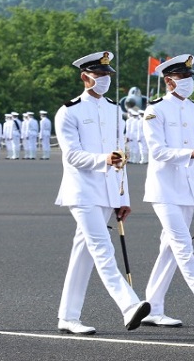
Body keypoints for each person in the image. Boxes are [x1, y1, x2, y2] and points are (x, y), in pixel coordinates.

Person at [54, 51, 151, 335]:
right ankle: (129, 304)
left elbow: (121, 154)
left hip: (108, 192)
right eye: (99, 75)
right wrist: (103, 160)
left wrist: (124, 198)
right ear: (85, 77)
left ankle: (68, 317)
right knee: (102, 249)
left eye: (107, 75)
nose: (104, 79)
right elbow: (72, 156)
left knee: (83, 253)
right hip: (82, 191)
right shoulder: (69, 111)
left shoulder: (112, 110)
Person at [141, 54, 194, 327]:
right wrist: (189, 153)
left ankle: (153, 307)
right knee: (183, 246)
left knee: (170, 249)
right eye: (182, 78)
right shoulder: (155, 110)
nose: (187, 82)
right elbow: (157, 151)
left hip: (189, 190)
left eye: (189, 77)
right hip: (165, 189)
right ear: (169, 81)